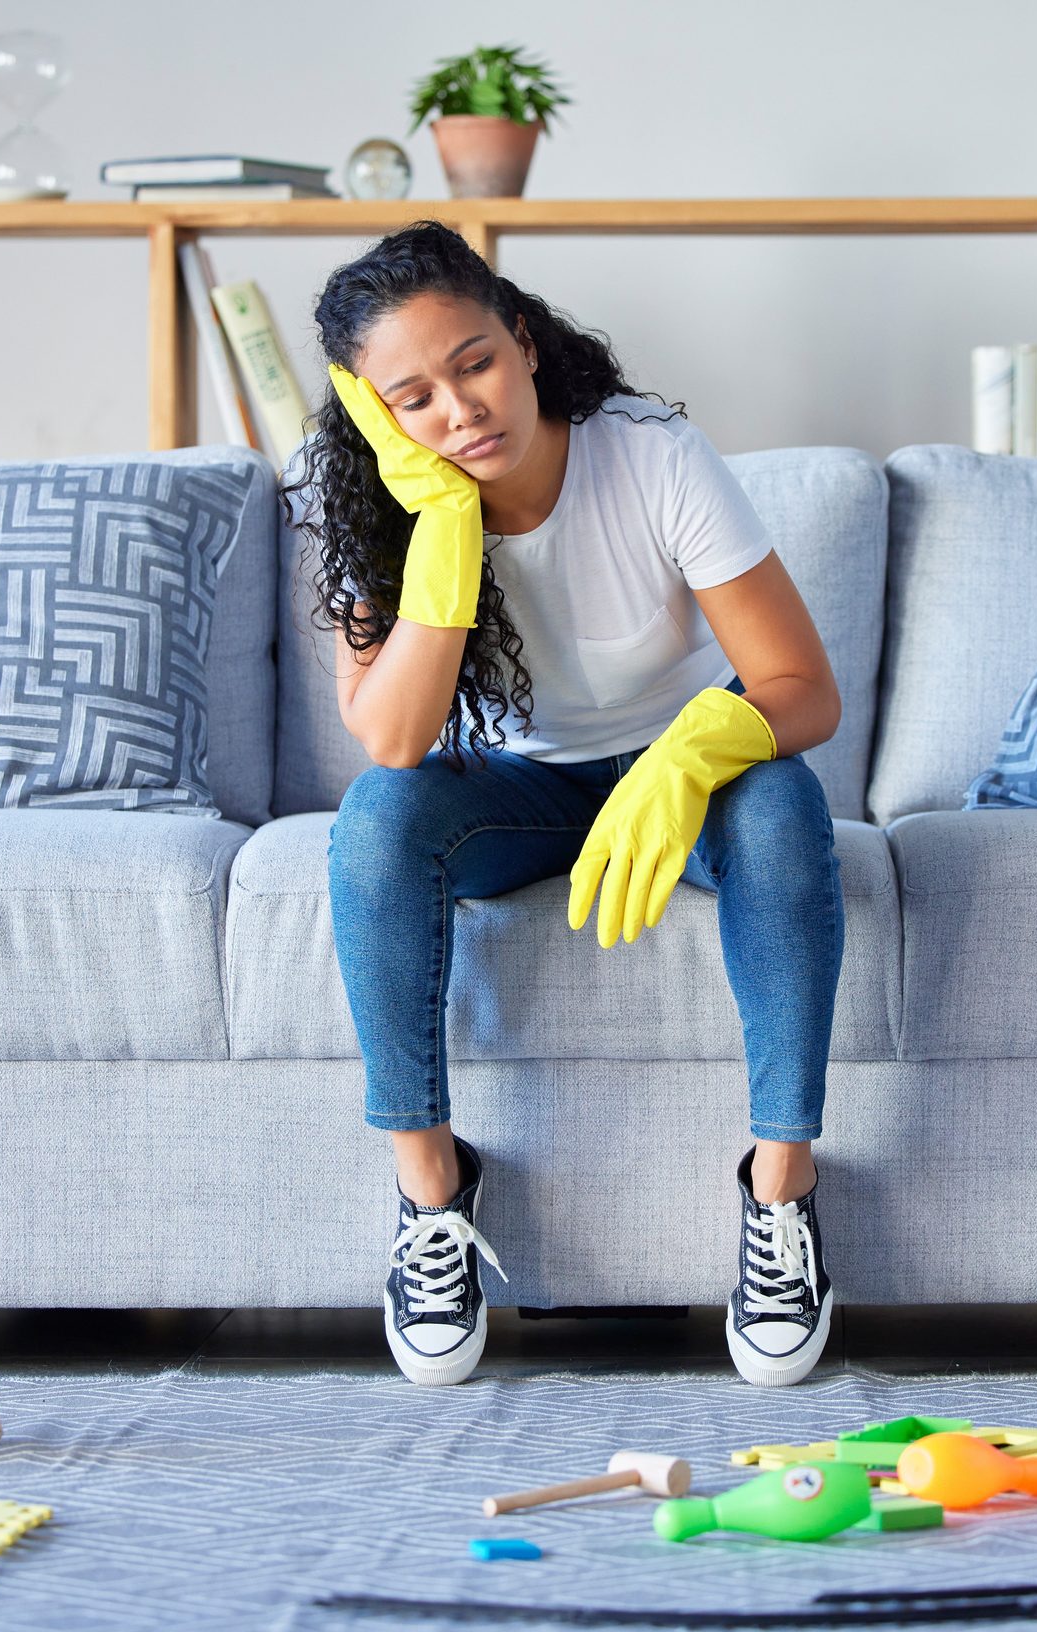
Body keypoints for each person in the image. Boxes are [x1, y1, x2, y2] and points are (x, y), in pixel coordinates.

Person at [281, 220, 846, 1388]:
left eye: (474, 361)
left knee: (785, 804)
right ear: (381, 422)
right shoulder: (384, 507)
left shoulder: (649, 455)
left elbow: (803, 687)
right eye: (415, 398)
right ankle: (432, 1193)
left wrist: (694, 750)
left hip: (681, 768)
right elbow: (390, 740)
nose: (461, 411)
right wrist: (442, 528)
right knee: (376, 824)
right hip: (508, 786)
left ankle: (781, 1200)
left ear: (523, 341)